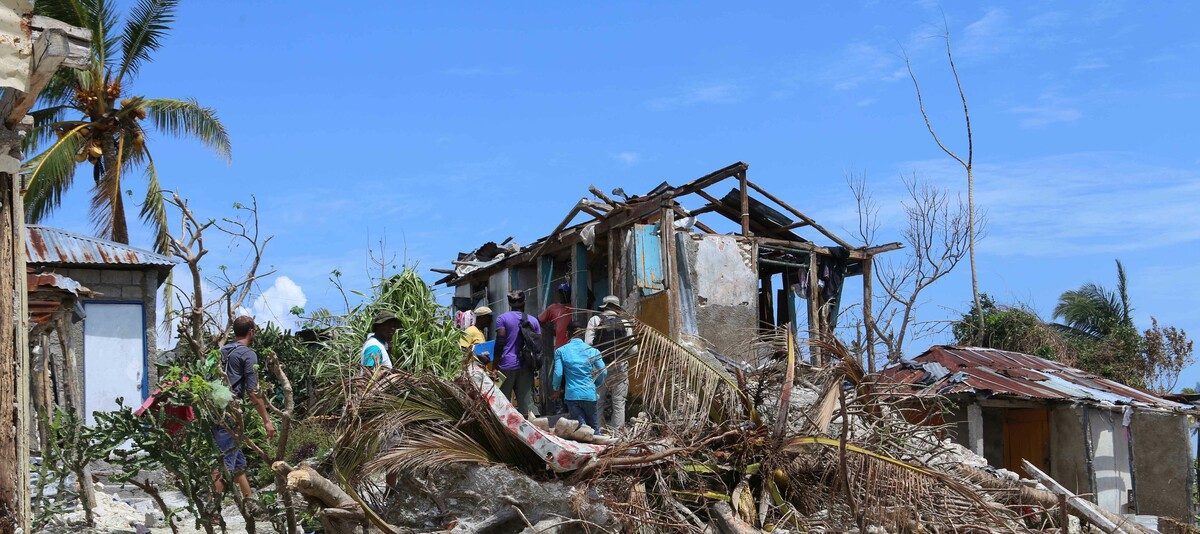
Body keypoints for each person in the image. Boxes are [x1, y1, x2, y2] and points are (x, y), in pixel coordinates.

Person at [213, 316, 275, 507]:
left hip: (215, 409)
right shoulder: (248, 354)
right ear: (251, 332)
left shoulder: (222, 351)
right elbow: (253, 391)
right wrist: (266, 420)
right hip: (231, 412)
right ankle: (213, 509)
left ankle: (250, 502)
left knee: (237, 460)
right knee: (225, 463)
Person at [586, 296, 635, 431]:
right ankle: (617, 434)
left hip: (600, 367)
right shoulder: (625, 322)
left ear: (605, 307)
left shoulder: (595, 320)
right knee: (619, 401)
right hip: (620, 365)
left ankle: (597, 431)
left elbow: (588, 344)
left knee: (598, 401)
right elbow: (633, 349)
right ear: (617, 308)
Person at [551, 319, 606, 431]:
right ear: (583, 334)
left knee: (581, 429)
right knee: (594, 428)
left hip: (572, 395)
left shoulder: (560, 351)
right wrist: (595, 384)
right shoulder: (593, 351)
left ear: (567, 334)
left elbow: (558, 373)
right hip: (590, 394)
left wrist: (556, 388)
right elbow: (603, 371)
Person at [494, 290, 542, 415]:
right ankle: (530, 431)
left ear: (509, 303)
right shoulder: (533, 321)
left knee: (502, 404)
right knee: (527, 406)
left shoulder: (502, 318)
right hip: (526, 365)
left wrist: (495, 365)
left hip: (505, 366)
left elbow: (500, 342)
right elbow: (537, 345)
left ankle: (504, 432)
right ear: (524, 302)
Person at [538, 282, 574, 349]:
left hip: (572, 345)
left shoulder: (575, 307)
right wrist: (553, 332)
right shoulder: (553, 308)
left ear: (569, 293)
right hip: (559, 345)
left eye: (565, 292)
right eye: (560, 292)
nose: (562, 294)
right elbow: (539, 320)